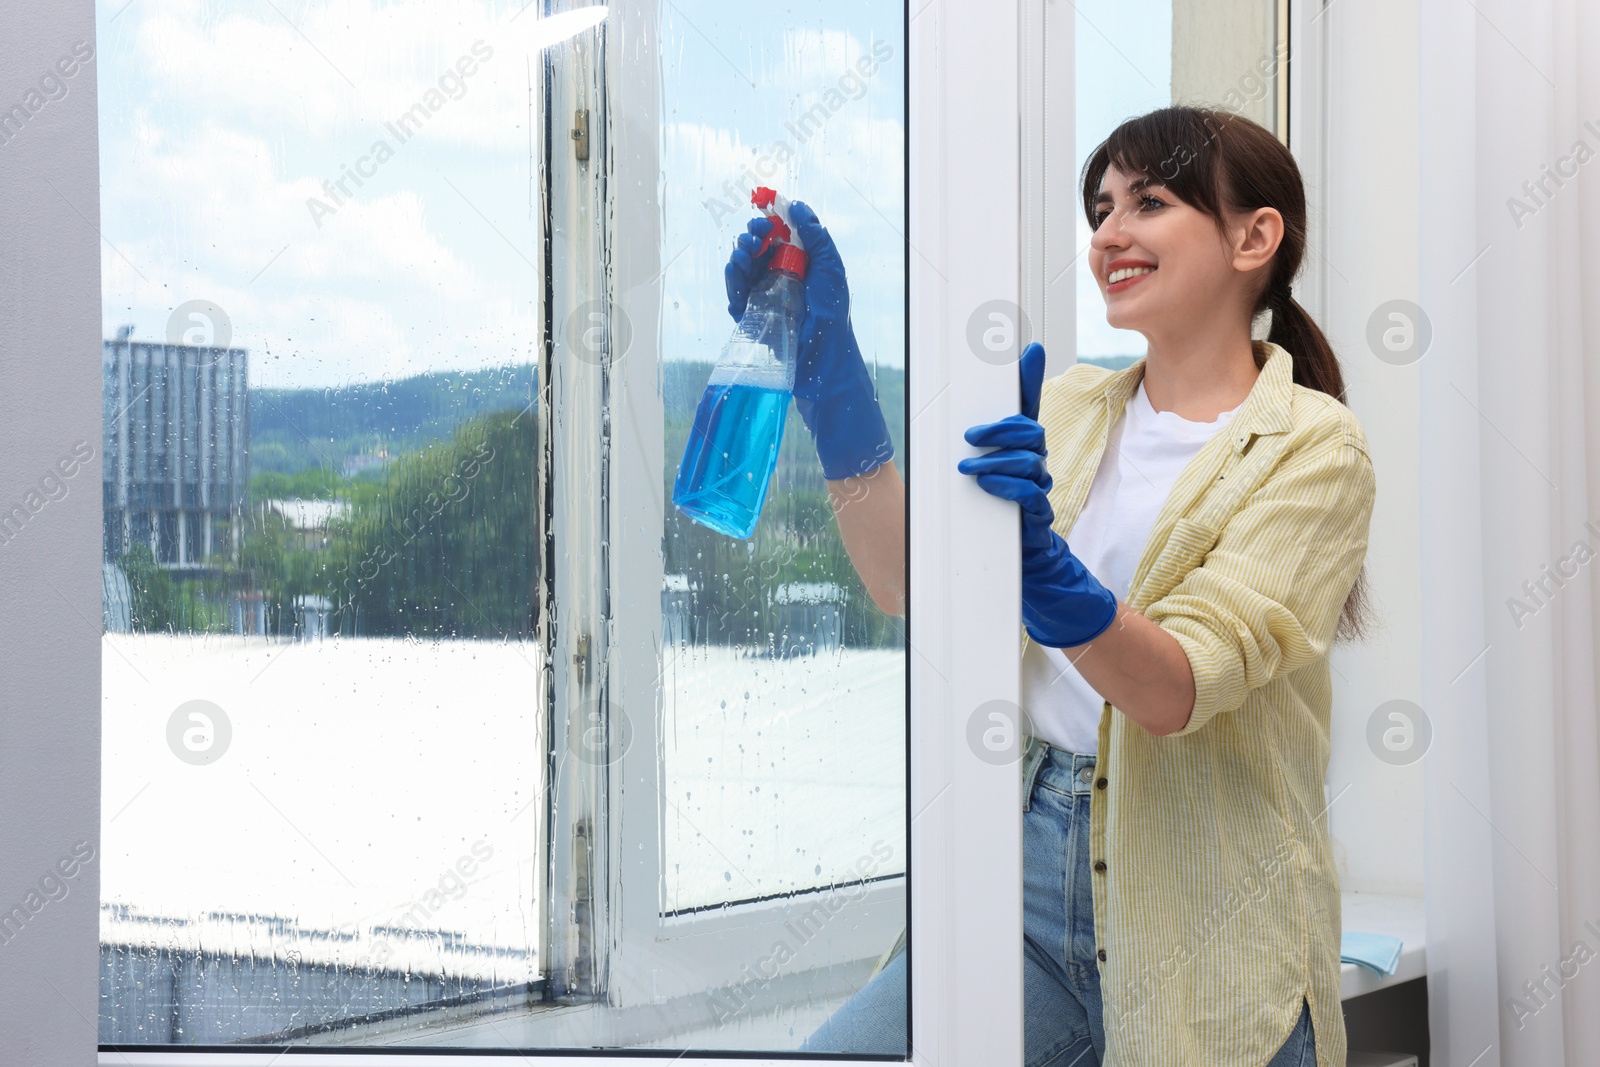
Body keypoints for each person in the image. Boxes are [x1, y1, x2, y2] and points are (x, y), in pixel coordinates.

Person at [786, 105, 1379, 1067]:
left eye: (1148, 201)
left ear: (1252, 236)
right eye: (1100, 208)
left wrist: (1045, 574)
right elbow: (903, 581)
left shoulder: (1314, 445)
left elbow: (1176, 686)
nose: (1109, 233)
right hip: (1024, 870)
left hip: (1211, 911)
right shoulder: (1063, 404)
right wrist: (833, 382)